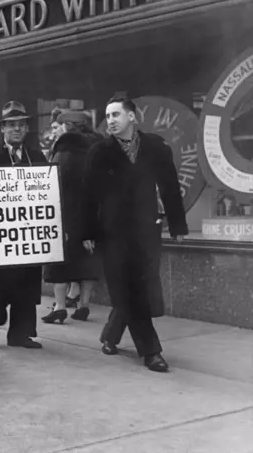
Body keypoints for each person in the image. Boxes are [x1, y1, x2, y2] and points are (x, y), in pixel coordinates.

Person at [81, 95, 188, 373]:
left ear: (132, 117)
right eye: (108, 115)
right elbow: (88, 195)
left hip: (146, 229)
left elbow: (169, 186)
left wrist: (177, 224)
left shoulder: (155, 147)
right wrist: (87, 231)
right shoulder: (100, 151)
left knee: (136, 289)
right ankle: (151, 351)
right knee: (128, 290)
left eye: (116, 114)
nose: (111, 121)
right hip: (112, 232)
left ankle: (110, 335)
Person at [0, 101, 47, 349]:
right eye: (11, 125)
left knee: (27, 284)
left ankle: (20, 333)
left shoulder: (36, 157)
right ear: (2, 129)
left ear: (27, 129)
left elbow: (47, 193)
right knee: (0, 284)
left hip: (30, 233)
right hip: (0, 233)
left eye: (21, 125)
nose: (17, 129)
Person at [42, 111, 103, 324]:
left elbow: (57, 185)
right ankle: (83, 306)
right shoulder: (99, 147)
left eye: (58, 126)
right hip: (93, 216)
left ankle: (59, 306)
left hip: (67, 216)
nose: (55, 130)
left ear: (68, 126)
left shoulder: (66, 149)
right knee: (87, 262)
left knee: (59, 263)